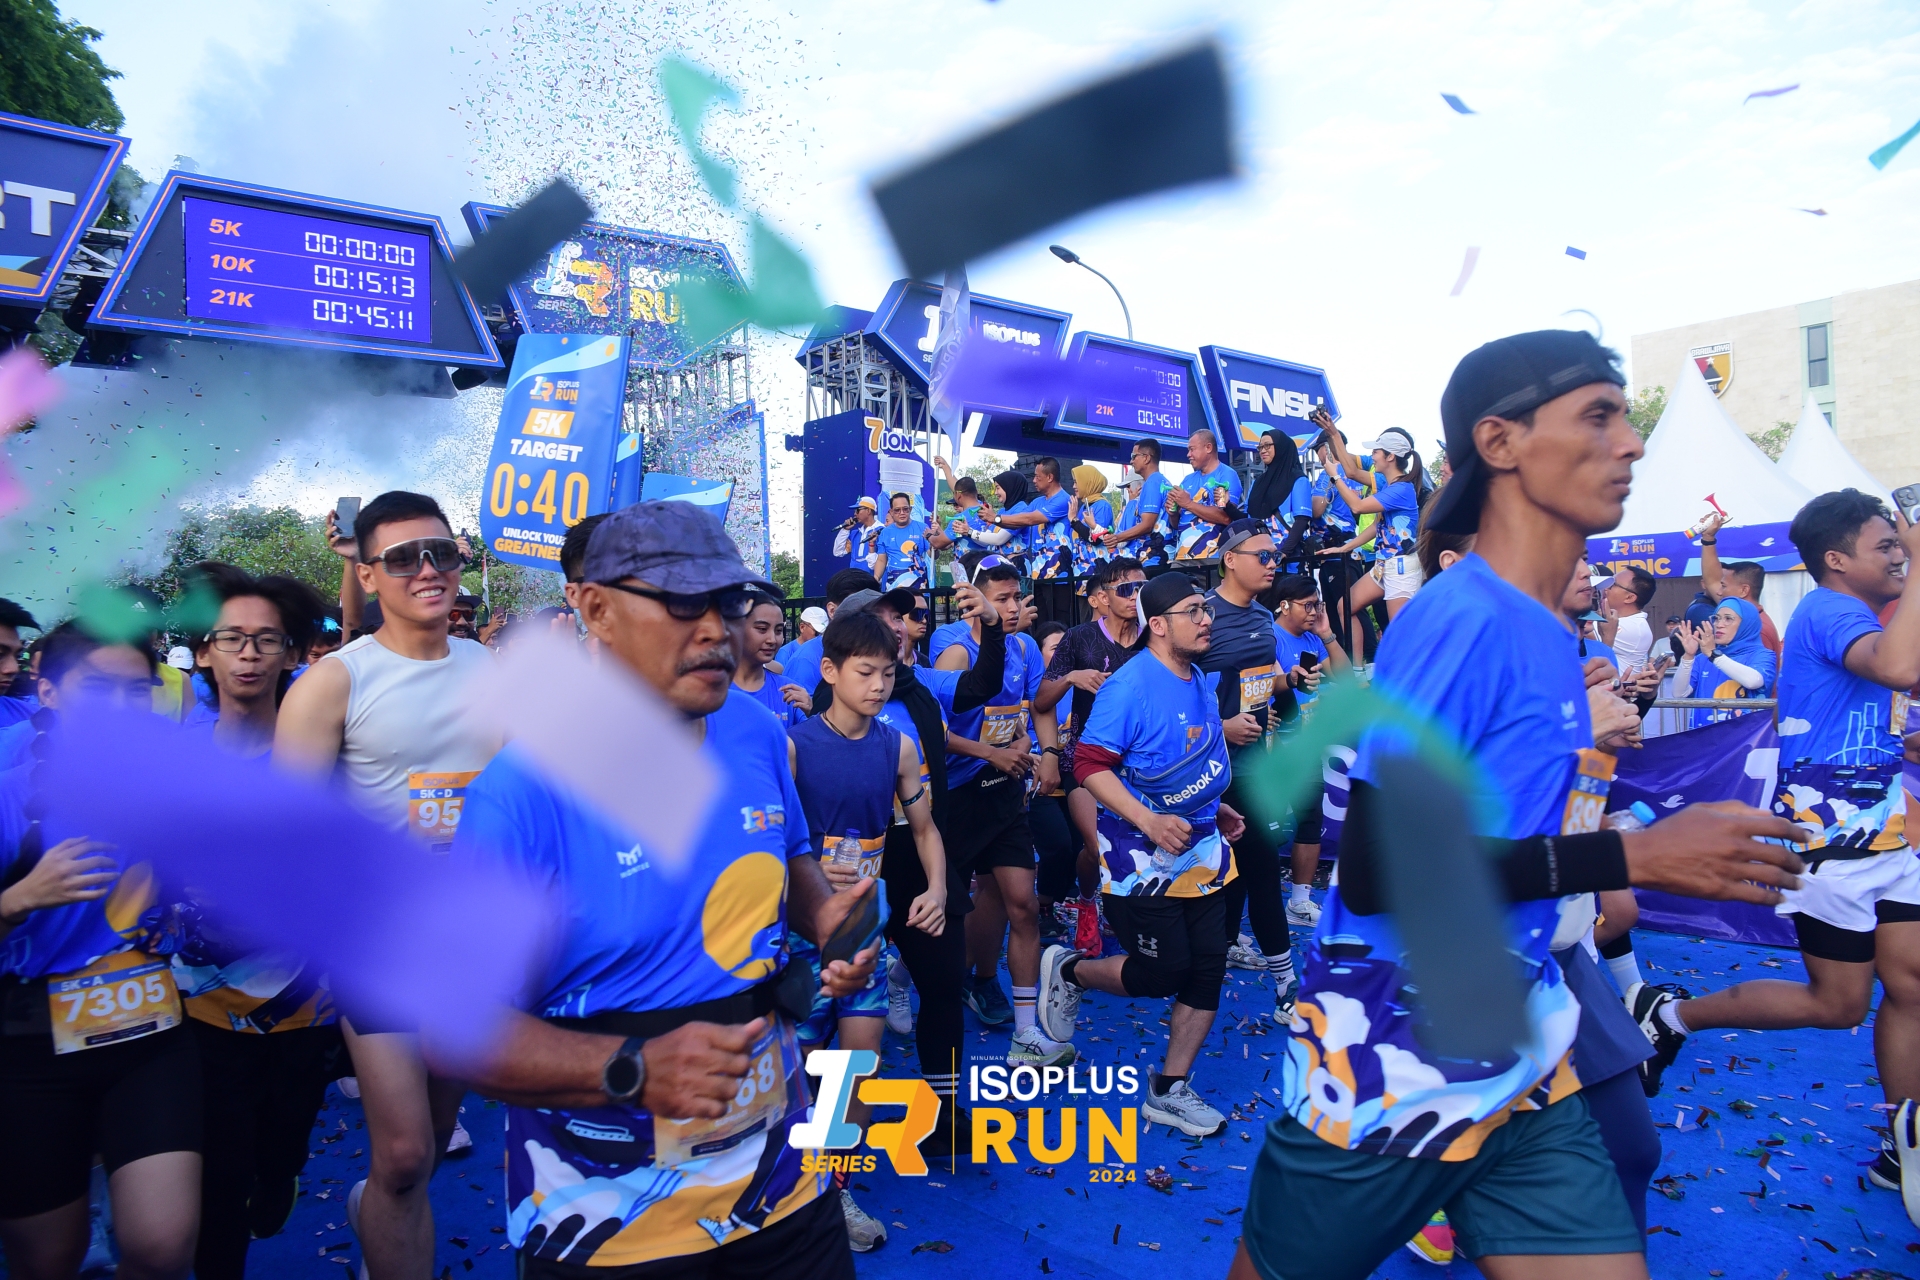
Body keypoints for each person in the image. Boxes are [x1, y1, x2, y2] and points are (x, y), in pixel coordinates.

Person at [1231, 328, 1806, 1280]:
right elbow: (1379, 869)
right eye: (1599, 416)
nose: (1632, 442)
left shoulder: (1546, 631)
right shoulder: (1461, 618)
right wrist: (1631, 857)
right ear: (1499, 443)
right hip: (1390, 1059)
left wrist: (1608, 834)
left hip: (1523, 1053)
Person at [447, 500, 878, 1276]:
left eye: (728, 602)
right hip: (611, 1226)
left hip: (784, 1188)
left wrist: (825, 917)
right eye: (682, 602)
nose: (717, 629)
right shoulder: (521, 795)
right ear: (595, 609)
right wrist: (631, 1068)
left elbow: (791, 854)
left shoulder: (755, 732)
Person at [1631, 489, 1920, 1221]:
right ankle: (1675, 1017)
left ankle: (1904, 1142)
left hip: (1890, 839)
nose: (1899, 554)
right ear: (1837, 559)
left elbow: (1876, 709)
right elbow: (1896, 668)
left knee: (1912, 986)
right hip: (1830, 848)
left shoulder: (1864, 616)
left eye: (1901, 544)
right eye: (1886, 544)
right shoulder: (1827, 608)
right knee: (1838, 1003)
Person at [275, 490, 502, 1280]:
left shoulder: (489, 670)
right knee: (404, 1151)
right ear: (368, 575)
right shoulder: (333, 682)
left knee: (429, 1147)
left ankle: (375, 1208)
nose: (428, 569)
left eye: (441, 552)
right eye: (403, 558)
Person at [148, 564, 343, 1280]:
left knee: (279, 1146)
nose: (250, 654)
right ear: (204, 651)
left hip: (306, 1005)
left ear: (292, 653)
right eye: (232, 638)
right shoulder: (174, 758)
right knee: (218, 1178)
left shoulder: (329, 754)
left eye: (268, 640)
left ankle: (280, 1171)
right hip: (198, 1007)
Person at [0, 622, 202, 1280]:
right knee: (46, 1262)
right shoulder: (9, 791)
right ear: (49, 692)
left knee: (162, 1249)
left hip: (149, 1038)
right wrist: (20, 897)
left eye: (135, 692)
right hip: (27, 1051)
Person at [1035, 572, 1246, 1137]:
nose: (1206, 620)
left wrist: (1217, 806)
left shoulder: (1199, 678)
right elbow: (1089, 765)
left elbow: (1191, 756)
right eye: (1193, 611)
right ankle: (1072, 970)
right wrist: (1148, 820)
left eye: (1205, 609)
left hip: (1203, 848)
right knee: (1163, 972)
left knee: (1209, 968)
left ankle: (1168, 1090)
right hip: (1140, 861)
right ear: (1159, 625)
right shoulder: (1128, 686)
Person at [811, 581, 1005, 1156]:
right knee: (824, 1016)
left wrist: (939, 888)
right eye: (882, 617)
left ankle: (944, 1115)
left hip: (918, 863)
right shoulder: (810, 728)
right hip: (847, 881)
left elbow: (979, 687)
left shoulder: (920, 693)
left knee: (943, 984)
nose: (896, 626)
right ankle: (819, 1141)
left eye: (900, 617)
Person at [785, 608, 949, 1249]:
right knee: (796, 1067)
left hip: (864, 930)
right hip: (798, 936)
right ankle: (785, 1187)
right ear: (829, 671)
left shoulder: (898, 747)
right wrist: (802, 878)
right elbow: (762, 845)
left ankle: (834, 1192)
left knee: (859, 1065)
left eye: (887, 671)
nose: (879, 685)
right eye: (864, 672)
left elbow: (926, 830)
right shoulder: (793, 747)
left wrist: (936, 888)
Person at [932, 552, 1067, 1067]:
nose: (1012, 608)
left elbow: (1037, 707)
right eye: (1001, 599)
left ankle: (1026, 1032)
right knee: (944, 910)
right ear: (975, 600)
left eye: (1015, 597)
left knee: (1022, 904)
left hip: (1006, 792)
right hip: (958, 796)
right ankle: (902, 978)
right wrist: (991, 752)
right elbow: (933, 733)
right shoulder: (955, 653)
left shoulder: (1026, 647)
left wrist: (1044, 750)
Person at [1200, 521, 1306, 1023]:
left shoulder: (1264, 616)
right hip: (1206, 769)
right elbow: (1174, 691)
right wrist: (1220, 727)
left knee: (1251, 866)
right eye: (1262, 556)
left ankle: (1254, 966)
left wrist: (1289, 680)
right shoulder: (1199, 615)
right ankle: (1284, 984)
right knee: (1253, 866)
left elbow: (1258, 684)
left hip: (1253, 765)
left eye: (1274, 556)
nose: (1272, 564)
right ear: (1230, 559)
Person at [1037, 558, 1146, 956]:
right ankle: (1087, 902)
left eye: (1142, 588)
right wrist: (1070, 677)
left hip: (1138, 762)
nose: (1136, 597)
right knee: (1095, 845)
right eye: (1126, 589)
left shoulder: (1155, 636)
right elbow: (1041, 702)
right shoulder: (1079, 639)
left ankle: (1123, 909)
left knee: (1136, 843)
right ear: (1103, 597)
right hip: (1084, 759)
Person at [1267, 573, 1350, 925]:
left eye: (1318, 605)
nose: (1314, 611)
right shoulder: (1269, 637)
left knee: (1310, 820)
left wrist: (1327, 632)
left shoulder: (1313, 637)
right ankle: (1260, 902)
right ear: (1284, 605)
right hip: (1273, 746)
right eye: (1309, 605)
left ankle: (1299, 902)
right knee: (1264, 829)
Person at [1321, 426, 1429, 621]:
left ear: (1390, 457)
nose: (1372, 456)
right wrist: (1344, 548)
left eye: (1376, 452)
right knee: (1345, 606)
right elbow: (1376, 526)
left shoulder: (1402, 489)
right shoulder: (1387, 483)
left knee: (1398, 629)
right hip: (1383, 563)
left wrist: (1335, 477)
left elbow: (1357, 507)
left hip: (1400, 565)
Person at [1673, 597, 1776, 726]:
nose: (1719, 624)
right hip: (1704, 736)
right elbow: (1679, 694)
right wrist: (1688, 656)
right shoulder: (1703, 657)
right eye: (1716, 618)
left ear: (1746, 624)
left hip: (1747, 736)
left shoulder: (1762, 655)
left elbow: (1753, 681)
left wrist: (1714, 656)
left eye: (1728, 619)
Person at [784, 570, 881, 700]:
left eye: (875, 611)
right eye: (859, 610)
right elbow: (797, 709)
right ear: (832, 610)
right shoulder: (806, 661)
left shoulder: (882, 651)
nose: (868, 619)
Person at [1696, 512, 1781, 656]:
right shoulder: (1738, 613)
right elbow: (1711, 580)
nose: (1718, 591)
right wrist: (1708, 538)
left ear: (1744, 591)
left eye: (1724, 586)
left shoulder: (1759, 629)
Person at [734, 594, 809, 725]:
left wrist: (810, 716)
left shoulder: (790, 692)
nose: (772, 640)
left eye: (778, 630)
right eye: (762, 629)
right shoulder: (710, 691)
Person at [1247, 429, 1316, 571]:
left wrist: (1284, 552)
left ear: (1281, 447)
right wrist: (1227, 505)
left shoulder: (1298, 480)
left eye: (1267, 445)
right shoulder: (1258, 482)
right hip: (1260, 564)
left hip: (1288, 565)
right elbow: (1248, 518)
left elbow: (1302, 520)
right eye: (1260, 447)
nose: (1262, 450)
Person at [1165, 426, 1242, 544]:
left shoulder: (1227, 475)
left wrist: (1188, 503)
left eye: (1192, 449)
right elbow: (1176, 525)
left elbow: (1226, 518)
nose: (1188, 454)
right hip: (1182, 553)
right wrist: (1173, 514)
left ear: (1208, 448)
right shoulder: (1187, 479)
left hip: (1213, 552)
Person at [1104, 439, 1172, 569]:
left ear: (1146, 458)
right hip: (1158, 557)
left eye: (1134, 456)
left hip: (1154, 560)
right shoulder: (1160, 481)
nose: (1131, 461)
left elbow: (1147, 525)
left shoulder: (1152, 483)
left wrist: (1116, 538)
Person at [1065, 463, 1116, 585]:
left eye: (1077, 482)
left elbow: (1096, 539)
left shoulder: (1102, 506)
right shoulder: (1084, 507)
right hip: (1081, 573)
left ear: (1087, 482)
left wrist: (1074, 520)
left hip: (1097, 573)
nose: (1074, 486)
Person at [1599, 565, 1656, 674]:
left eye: (1612, 584)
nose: (1605, 588)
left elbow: (1582, 631)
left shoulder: (1634, 628)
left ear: (1630, 598)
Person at [871, 492, 931, 588]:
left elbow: (933, 555)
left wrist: (934, 543)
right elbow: (881, 560)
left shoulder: (923, 528)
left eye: (905, 509)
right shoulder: (885, 533)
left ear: (910, 509)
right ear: (891, 512)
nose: (902, 513)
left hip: (919, 586)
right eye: (897, 510)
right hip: (893, 586)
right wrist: (876, 578)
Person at [831, 496, 881, 573]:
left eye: (857, 510)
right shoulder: (855, 533)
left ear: (868, 511)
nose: (855, 514)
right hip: (854, 577)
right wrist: (845, 530)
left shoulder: (881, 531)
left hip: (872, 578)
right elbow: (838, 552)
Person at [776, 606, 827, 673]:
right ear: (802, 627)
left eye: (824, 633)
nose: (820, 637)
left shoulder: (825, 649)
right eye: (817, 633)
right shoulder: (785, 653)